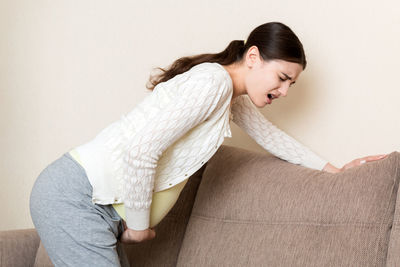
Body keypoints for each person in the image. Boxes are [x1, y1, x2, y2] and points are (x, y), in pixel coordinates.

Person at [29, 21, 388, 266]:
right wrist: (139, 227)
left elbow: (273, 138)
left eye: (291, 84)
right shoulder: (212, 84)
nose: (284, 90)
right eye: (281, 77)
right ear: (252, 57)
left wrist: (335, 170)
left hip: (98, 207)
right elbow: (142, 150)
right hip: (76, 198)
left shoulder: (228, 98)